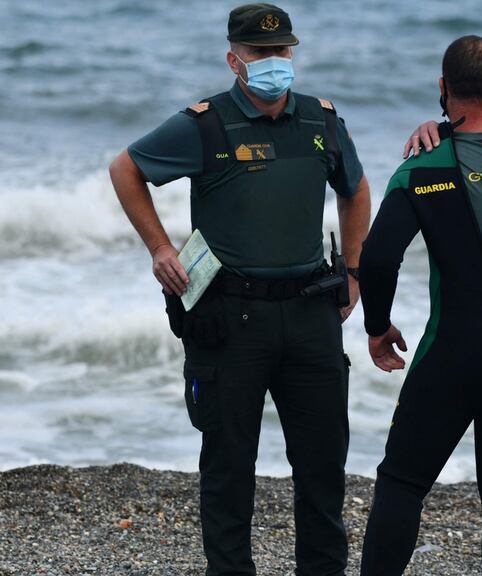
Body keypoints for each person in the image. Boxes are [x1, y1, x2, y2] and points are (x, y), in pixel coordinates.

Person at [108, 4, 371, 575]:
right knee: (228, 473)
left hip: (310, 316)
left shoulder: (321, 121)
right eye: (260, 54)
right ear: (235, 59)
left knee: (323, 472)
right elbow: (125, 169)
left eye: (282, 52)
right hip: (231, 319)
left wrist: (352, 271)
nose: (274, 63)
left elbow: (356, 190)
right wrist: (159, 247)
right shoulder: (204, 124)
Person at [358, 36, 482, 575]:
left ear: (441, 88)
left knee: (402, 482)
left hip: (458, 353)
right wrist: (448, 126)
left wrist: (377, 326)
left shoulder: (423, 168)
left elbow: (378, 259)